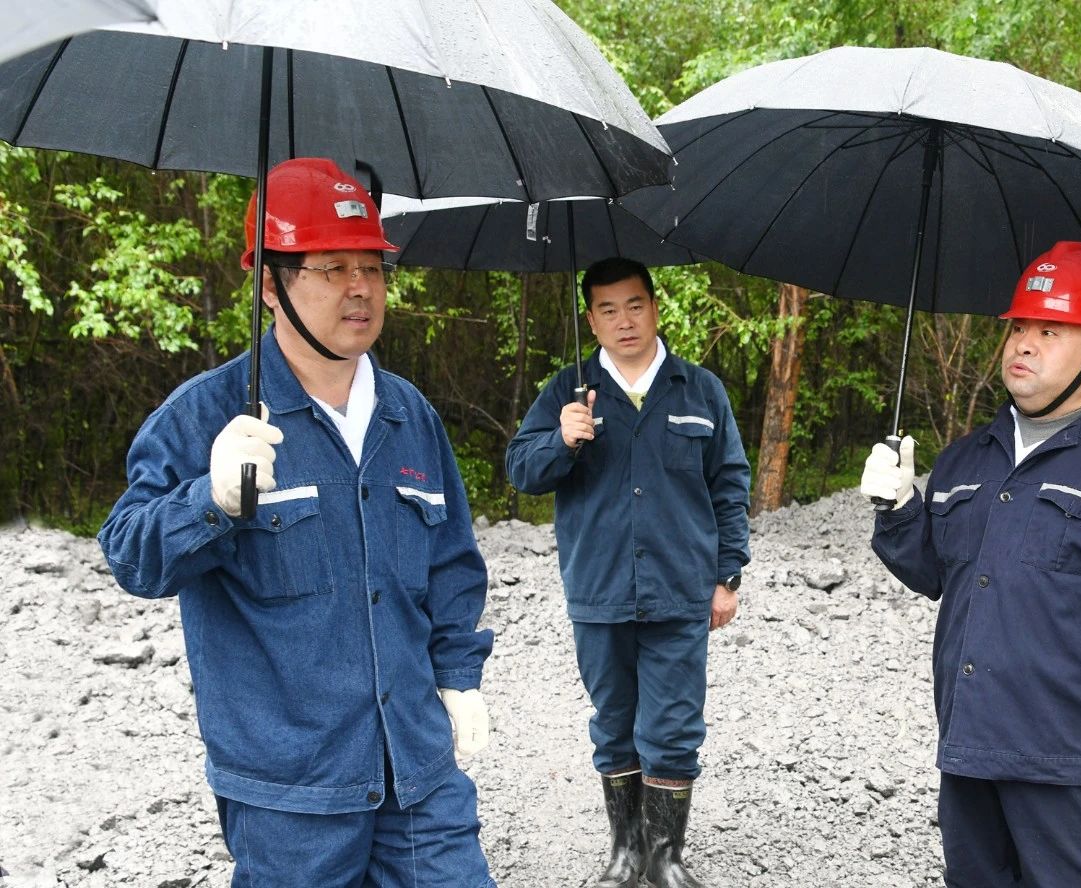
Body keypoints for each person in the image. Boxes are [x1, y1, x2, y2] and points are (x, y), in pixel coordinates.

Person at [98, 158, 497, 887]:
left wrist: (458, 676)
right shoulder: (205, 415)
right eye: (333, 267)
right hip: (291, 794)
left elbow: (451, 564)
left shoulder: (411, 417)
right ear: (268, 285)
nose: (360, 288)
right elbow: (130, 555)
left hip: (417, 770)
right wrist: (209, 500)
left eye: (372, 267)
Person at [860, 241, 1081, 888]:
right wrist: (900, 508)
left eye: (1050, 330)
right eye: (1019, 326)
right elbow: (937, 575)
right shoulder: (968, 458)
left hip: (1069, 762)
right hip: (968, 748)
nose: (1023, 343)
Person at [505, 257, 750, 888]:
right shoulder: (567, 391)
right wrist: (560, 440)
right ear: (591, 320)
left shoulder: (701, 390)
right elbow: (522, 471)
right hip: (599, 588)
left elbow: (729, 485)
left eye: (635, 305)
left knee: (673, 726)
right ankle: (626, 854)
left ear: (655, 308)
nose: (624, 320)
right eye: (608, 309)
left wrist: (728, 576)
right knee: (613, 722)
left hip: (680, 589)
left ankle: (665, 858)